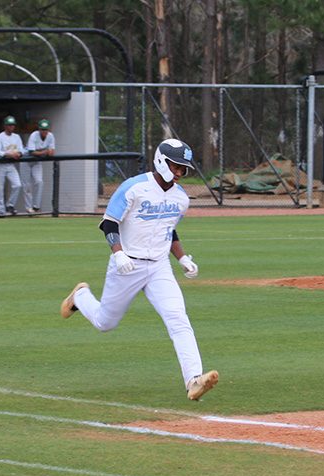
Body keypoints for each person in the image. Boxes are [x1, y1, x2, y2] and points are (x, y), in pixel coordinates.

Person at [60, 138, 219, 401]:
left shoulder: (180, 198)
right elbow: (109, 223)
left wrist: (182, 259)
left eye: (183, 168)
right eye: (175, 166)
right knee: (105, 322)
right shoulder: (133, 188)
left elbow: (169, 229)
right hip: (127, 264)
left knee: (178, 318)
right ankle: (80, 297)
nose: (179, 172)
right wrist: (118, 253)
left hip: (159, 267)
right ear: (160, 161)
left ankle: (193, 380)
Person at [0, 115, 24, 216]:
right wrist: (9, 154)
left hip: (11, 165)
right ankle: (1, 211)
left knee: (17, 185)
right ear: (5, 126)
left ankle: (10, 205)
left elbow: (22, 149)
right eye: (9, 125)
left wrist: (19, 153)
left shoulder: (16, 137)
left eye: (12, 125)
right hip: (0, 165)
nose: (11, 127)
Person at [22, 118, 55, 213]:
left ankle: (36, 206)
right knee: (27, 185)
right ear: (39, 129)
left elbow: (52, 152)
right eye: (42, 129)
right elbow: (32, 152)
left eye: (46, 129)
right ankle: (28, 208)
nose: (44, 131)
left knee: (39, 182)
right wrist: (45, 151)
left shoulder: (50, 136)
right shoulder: (34, 135)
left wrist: (45, 152)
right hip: (26, 160)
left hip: (37, 162)